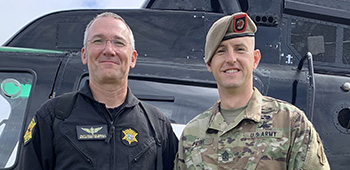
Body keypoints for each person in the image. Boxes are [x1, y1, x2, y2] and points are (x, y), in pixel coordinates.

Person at [20, 12, 178, 170]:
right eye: (98, 41)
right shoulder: (52, 116)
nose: (109, 50)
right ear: (84, 55)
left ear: (133, 58)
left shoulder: (158, 125)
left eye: (119, 43)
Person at [174, 12, 330, 170]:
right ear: (209, 63)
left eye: (240, 49)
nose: (231, 59)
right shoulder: (191, 135)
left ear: (255, 59)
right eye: (221, 51)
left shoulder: (291, 124)